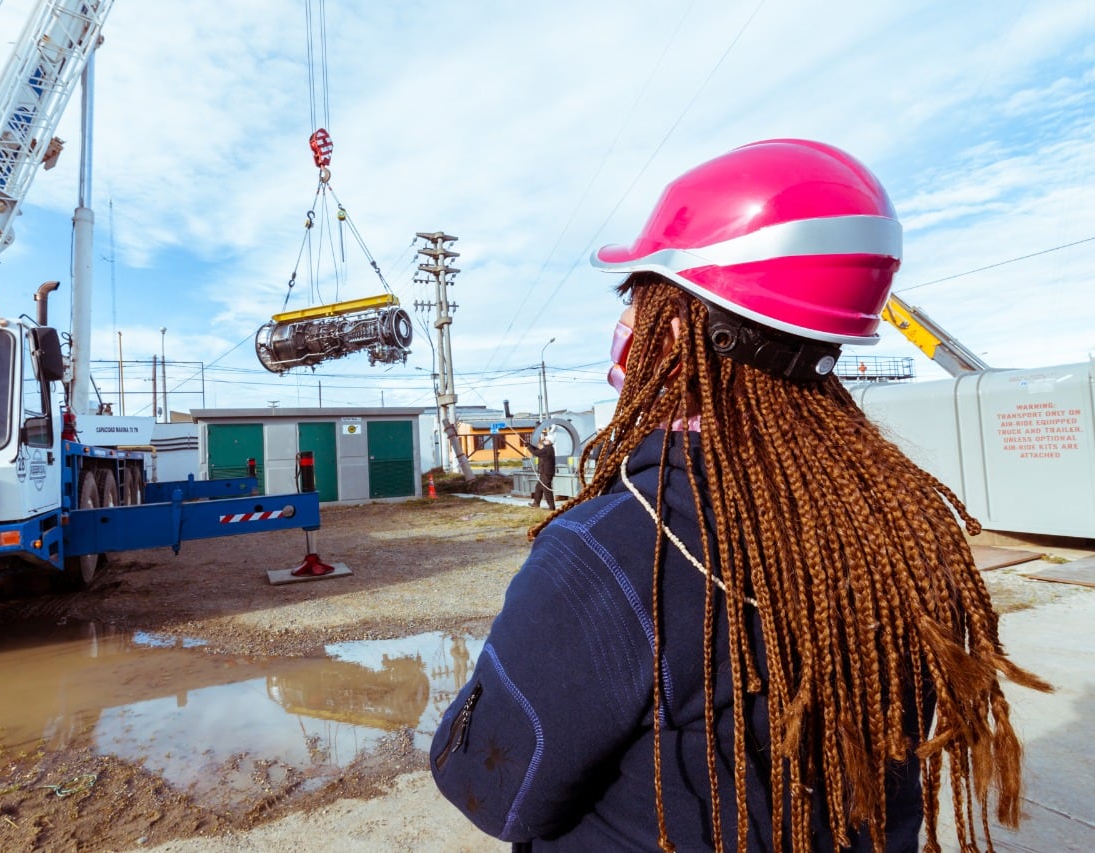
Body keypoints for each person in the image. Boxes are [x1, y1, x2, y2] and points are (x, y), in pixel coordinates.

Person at [429, 139, 1049, 852]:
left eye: (635, 295)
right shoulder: (894, 527)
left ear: (670, 332)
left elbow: (490, 787)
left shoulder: (613, 551)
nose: (622, 324)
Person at [523, 431, 556, 510]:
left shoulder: (548, 449)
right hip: (544, 472)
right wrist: (530, 445)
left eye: (546, 440)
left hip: (546, 473)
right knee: (538, 487)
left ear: (550, 442)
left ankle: (552, 507)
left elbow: (535, 453)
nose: (544, 440)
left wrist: (528, 447)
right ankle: (536, 503)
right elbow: (538, 451)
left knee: (546, 489)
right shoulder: (547, 449)